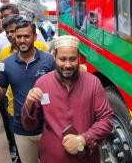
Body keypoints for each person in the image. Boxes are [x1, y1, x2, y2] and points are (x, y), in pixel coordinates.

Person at [21, 35, 114, 163]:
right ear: (54, 57)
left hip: (87, 158)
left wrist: (83, 139)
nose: (68, 65)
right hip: (51, 158)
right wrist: (29, 104)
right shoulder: (42, 84)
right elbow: (29, 126)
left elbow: (106, 120)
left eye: (72, 59)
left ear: (79, 58)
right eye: (62, 59)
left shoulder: (93, 83)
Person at [0, 19, 55, 163]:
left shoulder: (49, 60)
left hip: (49, 128)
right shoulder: (7, 63)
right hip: (22, 129)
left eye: (26, 36)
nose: (22, 40)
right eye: (19, 37)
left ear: (34, 37)